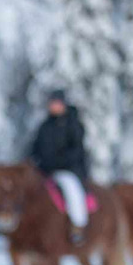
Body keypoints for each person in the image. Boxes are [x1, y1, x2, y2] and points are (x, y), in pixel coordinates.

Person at [29, 88, 90, 242]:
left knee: (70, 189)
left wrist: (59, 162)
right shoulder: (45, 126)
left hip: (68, 170)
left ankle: (77, 225)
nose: (54, 107)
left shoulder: (72, 125)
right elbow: (35, 148)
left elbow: (77, 150)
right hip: (45, 171)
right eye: (52, 104)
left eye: (57, 103)